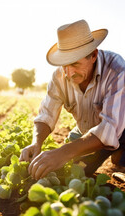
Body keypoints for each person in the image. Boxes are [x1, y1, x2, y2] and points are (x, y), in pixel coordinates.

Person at [20, 19, 125, 180]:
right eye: (64, 65)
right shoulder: (59, 76)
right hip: (86, 132)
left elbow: (110, 128)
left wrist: (63, 152)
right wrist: (36, 142)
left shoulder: (116, 69)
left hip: (120, 131)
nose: (68, 73)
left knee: (118, 158)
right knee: (73, 171)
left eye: (75, 64)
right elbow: (46, 115)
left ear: (94, 55)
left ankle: (120, 155)